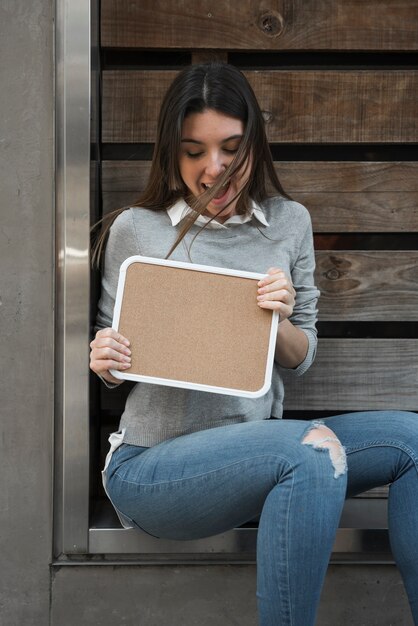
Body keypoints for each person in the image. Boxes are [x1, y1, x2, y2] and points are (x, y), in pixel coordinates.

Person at [90, 62, 418, 625]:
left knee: (412, 440)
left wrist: (281, 317)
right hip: (154, 469)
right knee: (311, 449)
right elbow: (113, 357)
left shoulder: (288, 224)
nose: (213, 169)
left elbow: (302, 355)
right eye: (194, 150)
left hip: (262, 449)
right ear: (172, 152)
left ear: (254, 147)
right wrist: (105, 358)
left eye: (231, 149)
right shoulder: (136, 230)